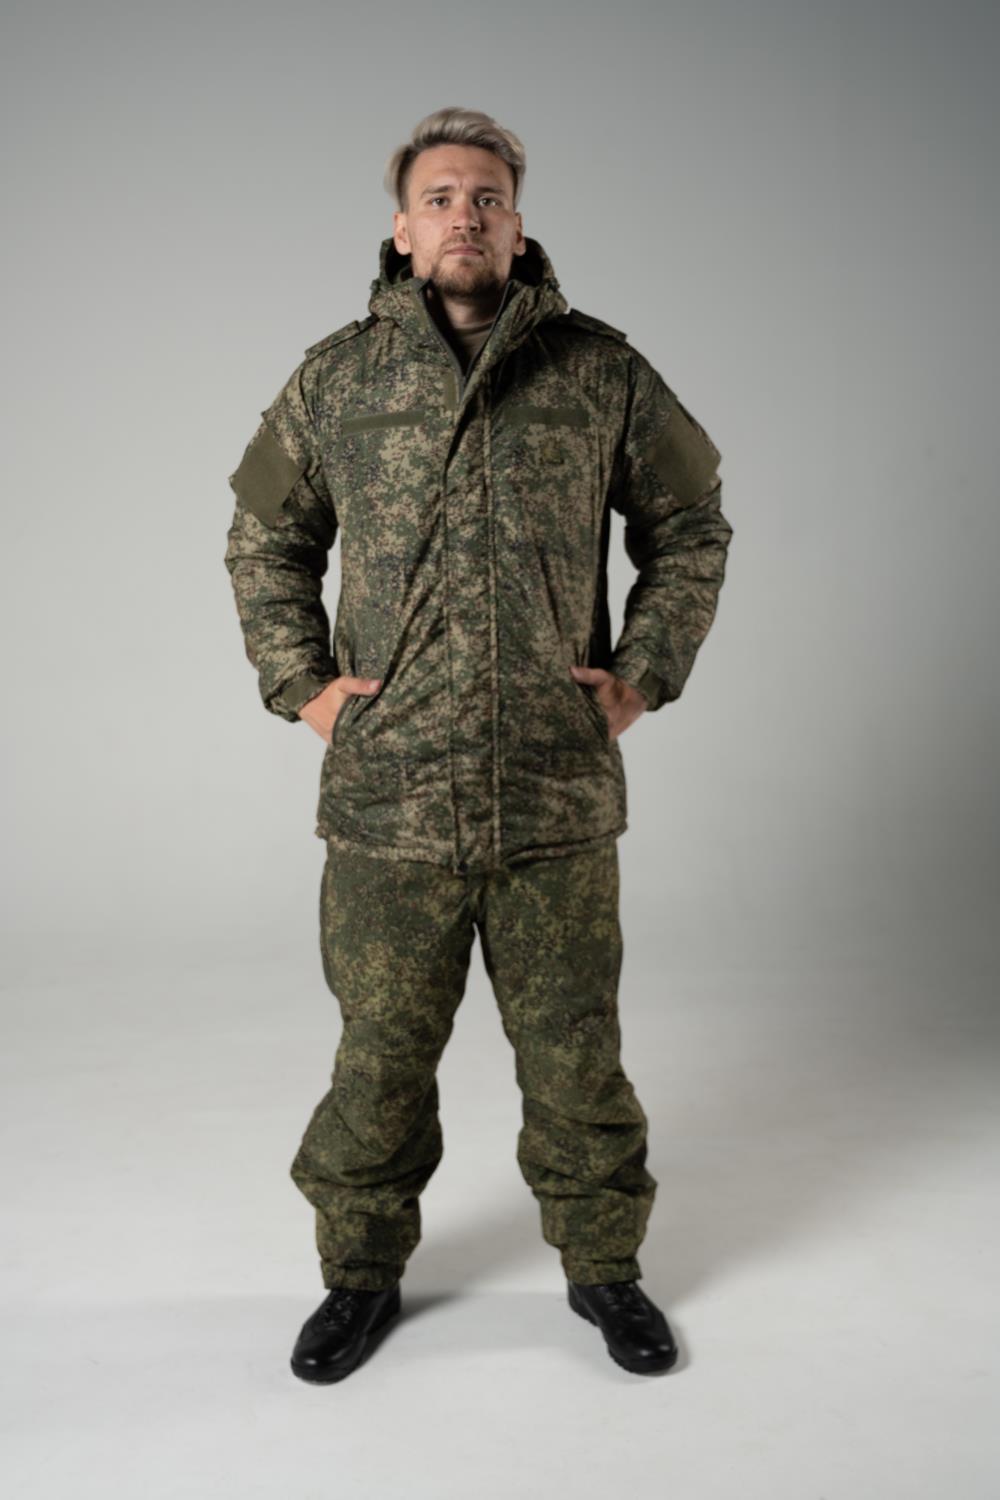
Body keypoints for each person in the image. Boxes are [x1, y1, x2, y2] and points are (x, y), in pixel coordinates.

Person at [224, 106, 733, 1383]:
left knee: (577, 1056)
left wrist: (641, 674)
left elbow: (692, 525)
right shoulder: (336, 380)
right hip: (389, 800)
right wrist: (306, 691)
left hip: (552, 793)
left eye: (488, 196)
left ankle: (604, 1268)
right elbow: (264, 540)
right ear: (402, 229)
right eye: (441, 197)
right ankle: (358, 1275)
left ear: (517, 223)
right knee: (380, 1060)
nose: (466, 214)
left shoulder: (601, 373)